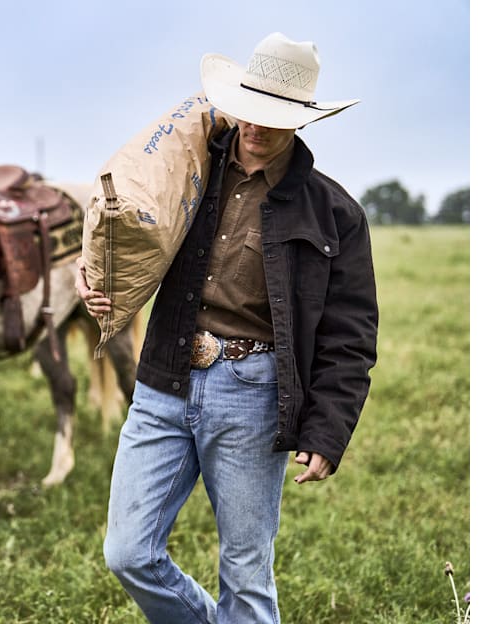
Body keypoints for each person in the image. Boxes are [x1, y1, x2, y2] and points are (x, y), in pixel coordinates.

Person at [76, 32, 379, 623]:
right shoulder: (186, 174)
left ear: (301, 121)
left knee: (245, 571)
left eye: (274, 118)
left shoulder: (335, 214)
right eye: (250, 111)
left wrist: (327, 431)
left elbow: (351, 336)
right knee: (128, 552)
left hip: (253, 393)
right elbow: (124, 235)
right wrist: (93, 277)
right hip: (164, 379)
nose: (256, 128)